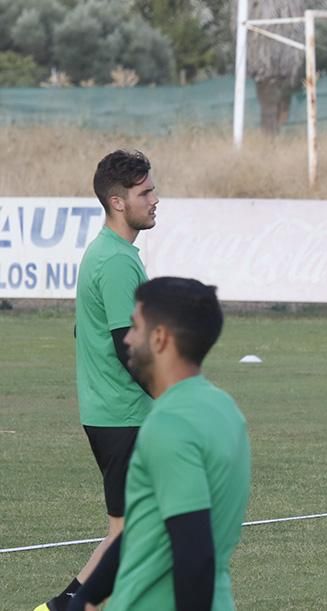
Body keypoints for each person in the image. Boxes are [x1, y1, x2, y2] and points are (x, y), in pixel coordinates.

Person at [69, 277, 252, 610]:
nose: (127, 338)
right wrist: (87, 596)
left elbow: (194, 555)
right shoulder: (224, 409)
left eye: (135, 326)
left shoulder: (170, 425)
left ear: (160, 338)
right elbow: (144, 527)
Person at [38, 150, 158, 611]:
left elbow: (86, 330)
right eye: (144, 192)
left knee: (128, 532)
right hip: (123, 416)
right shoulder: (114, 261)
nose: (155, 199)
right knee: (135, 535)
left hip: (112, 413)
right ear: (118, 202)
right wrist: (175, 396)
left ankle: (62, 607)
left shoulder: (112, 254)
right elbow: (128, 347)